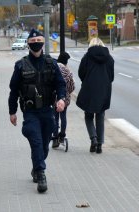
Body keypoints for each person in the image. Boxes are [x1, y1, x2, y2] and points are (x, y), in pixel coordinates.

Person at [8, 28, 66, 193]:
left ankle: (36, 167)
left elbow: (60, 84)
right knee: (36, 141)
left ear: (43, 43)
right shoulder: (21, 66)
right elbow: (13, 91)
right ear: (28, 44)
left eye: (38, 41)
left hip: (47, 111)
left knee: (44, 145)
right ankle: (41, 174)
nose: (35, 44)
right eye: (32, 42)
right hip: (30, 112)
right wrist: (12, 112)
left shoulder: (51, 63)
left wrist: (61, 99)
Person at [76, 37, 114, 154]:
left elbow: (81, 73)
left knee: (88, 115)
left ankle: (93, 138)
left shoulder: (86, 57)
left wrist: (87, 80)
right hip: (104, 89)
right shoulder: (109, 58)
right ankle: (100, 144)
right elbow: (111, 76)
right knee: (100, 115)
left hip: (89, 88)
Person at [52, 52, 75, 148]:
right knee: (63, 117)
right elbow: (71, 87)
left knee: (55, 118)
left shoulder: (52, 68)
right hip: (64, 98)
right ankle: (62, 136)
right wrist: (67, 93)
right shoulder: (67, 71)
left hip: (53, 97)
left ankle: (55, 138)